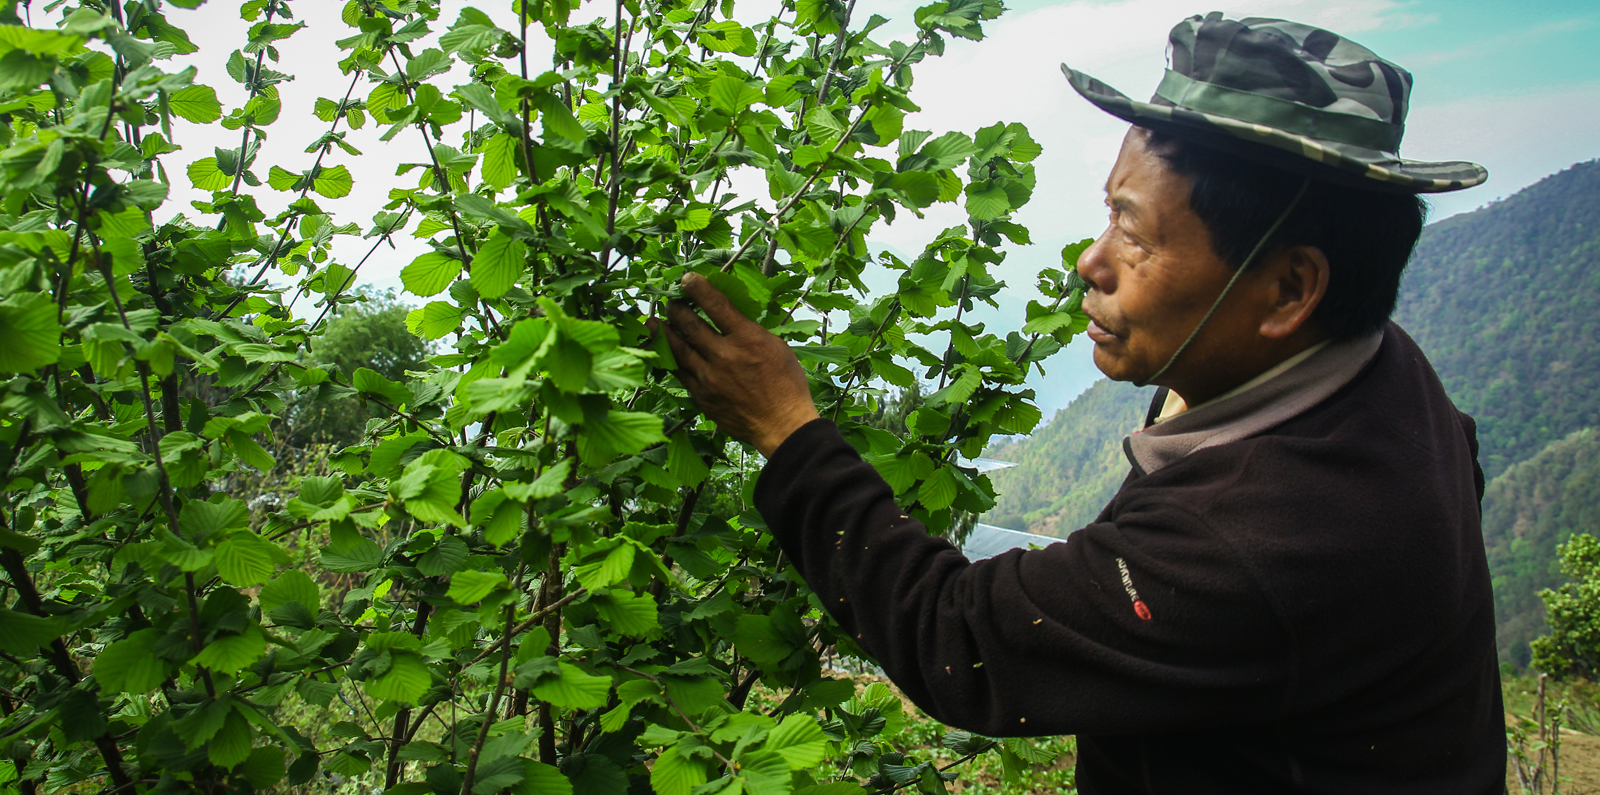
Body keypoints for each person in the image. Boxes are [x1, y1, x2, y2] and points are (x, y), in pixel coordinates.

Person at [652, 14, 1503, 794]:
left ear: (1289, 289)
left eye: (1134, 232)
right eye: (1107, 214)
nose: (1091, 262)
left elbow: (964, 640)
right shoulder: (1375, 368)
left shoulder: (1263, 543)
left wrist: (785, 428)